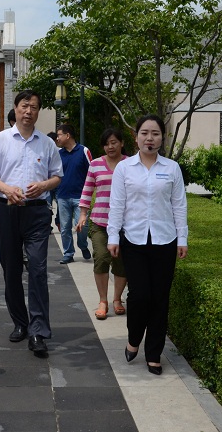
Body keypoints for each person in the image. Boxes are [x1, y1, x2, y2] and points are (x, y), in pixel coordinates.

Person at [0, 90, 62, 357]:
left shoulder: (47, 144)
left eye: (34, 107)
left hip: (37, 213)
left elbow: (57, 177)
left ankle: (38, 330)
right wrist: (7, 189)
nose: (29, 111)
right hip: (7, 210)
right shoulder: (0, 140)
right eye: (25, 106)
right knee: (11, 269)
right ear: (15, 108)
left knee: (38, 269)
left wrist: (43, 185)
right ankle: (20, 322)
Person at [107, 114, 188, 376]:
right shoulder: (125, 168)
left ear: (162, 138)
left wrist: (182, 238)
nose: (149, 138)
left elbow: (179, 205)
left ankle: (154, 353)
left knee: (160, 299)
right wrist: (112, 236)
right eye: (144, 133)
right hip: (134, 240)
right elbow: (117, 204)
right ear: (136, 137)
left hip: (165, 240)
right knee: (140, 296)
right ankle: (134, 338)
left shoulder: (172, 168)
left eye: (155, 133)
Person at [77, 128, 129, 320]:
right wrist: (83, 214)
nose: (110, 147)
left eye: (114, 142)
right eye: (106, 144)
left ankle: (117, 299)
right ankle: (103, 301)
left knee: (121, 262)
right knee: (101, 258)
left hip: (125, 224)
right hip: (100, 222)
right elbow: (87, 190)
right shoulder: (96, 165)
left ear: (122, 143)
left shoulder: (130, 164)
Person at [55, 124, 93, 264]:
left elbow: (92, 172)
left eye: (59, 135)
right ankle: (68, 253)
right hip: (62, 196)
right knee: (65, 228)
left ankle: (82, 245)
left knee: (83, 226)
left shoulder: (84, 151)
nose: (57, 138)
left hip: (80, 197)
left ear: (67, 135)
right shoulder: (59, 154)